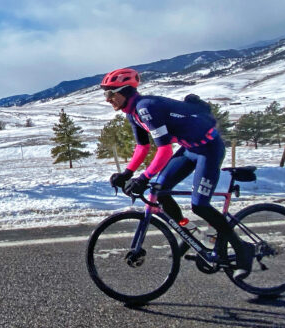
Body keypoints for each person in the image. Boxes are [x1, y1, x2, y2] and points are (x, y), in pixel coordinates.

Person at [101, 67, 252, 280]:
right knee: (160, 192)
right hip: (189, 149)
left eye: (110, 93)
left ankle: (243, 250)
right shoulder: (133, 114)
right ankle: (190, 233)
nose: (107, 99)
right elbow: (142, 148)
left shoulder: (145, 108)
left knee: (200, 205)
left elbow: (164, 150)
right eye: (104, 94)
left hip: (208, 150)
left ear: (124, 91)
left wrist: (143, 178)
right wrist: (127, 173)